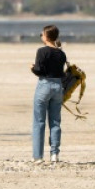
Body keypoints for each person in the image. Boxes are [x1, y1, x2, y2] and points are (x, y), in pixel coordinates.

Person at [30, 24, 67, 163]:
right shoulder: (61, 53)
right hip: (58, 86)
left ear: (46, 36)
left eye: (42, 34)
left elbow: (39, 70)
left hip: (44, 85)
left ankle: (38, 156)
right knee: (55, 121)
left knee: (39, 121)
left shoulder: (42, 51)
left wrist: (32, 69)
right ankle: (54, 154)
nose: (41, 36)